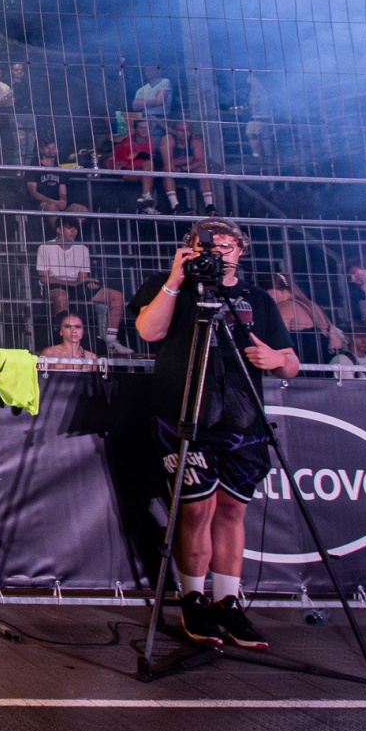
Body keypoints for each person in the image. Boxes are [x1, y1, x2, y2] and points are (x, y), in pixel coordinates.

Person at [130, 217, 300, 651]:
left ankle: (227, 602)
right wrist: (175, 278)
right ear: (192, 248)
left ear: (240, 251)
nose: (218, 252)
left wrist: (275, 360)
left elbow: (290, 363)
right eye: (209, 245)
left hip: (241, 419)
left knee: (231, 509)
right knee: (196, 509)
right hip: (183, 412)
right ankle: (193, 599)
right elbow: (149, 331)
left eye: (227, 245)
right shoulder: (170, 285)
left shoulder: (257, 298)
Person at [36, 217, 131, 355]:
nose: (73, 231)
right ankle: (62, 342)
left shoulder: (82, 249)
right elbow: (44, 278)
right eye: (69, 227)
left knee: (116, 296)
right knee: (61, 298)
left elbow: (82, 277)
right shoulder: (45, 247)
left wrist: (89, 283)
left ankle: (111, 340)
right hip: (54, 284)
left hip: (77, 285)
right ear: (58, 230)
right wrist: (71, 283)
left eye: (75, 228)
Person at [265, 270, 340, 367]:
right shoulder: (314, 307)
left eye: (267, 293)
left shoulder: (284, 307)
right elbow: (337, 343)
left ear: (282, 290)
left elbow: (277, 341)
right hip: (321, 369)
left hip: (298, 369)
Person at [111, 115, 161, 212]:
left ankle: (147, 202)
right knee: (148, 167)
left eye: (146, 128)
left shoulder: (153, 142)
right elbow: (121, 166)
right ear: (135, 129)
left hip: (147, 173)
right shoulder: (126, 144)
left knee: (149, 169)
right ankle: (147, 200)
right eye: (141, 128)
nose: (144, 130)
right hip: (127, 174)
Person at [24, 139, 88, 215]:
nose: (52, 148)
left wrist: (63, 201)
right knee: (52, 207)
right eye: (47, 146)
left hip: (57, 203)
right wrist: (53, 202)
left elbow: (63, 192)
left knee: (82, 210)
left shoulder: (59, 169)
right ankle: (57, 223)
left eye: (54, 146)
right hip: (40, 204)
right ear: (41, 148)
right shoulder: (33, 168)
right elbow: (33, 193)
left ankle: (67, 223)